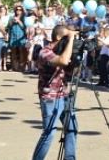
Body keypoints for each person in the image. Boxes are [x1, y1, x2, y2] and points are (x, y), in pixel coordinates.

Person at [32, 25, 79, 160]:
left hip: (64, 96)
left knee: (72, 128)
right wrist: (71, 39)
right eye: (67, 37)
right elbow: (63, 61)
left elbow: (71, 72)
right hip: (50, 98)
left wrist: (76, 60)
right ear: (59, 37)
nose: (70, 40)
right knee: (49, 133)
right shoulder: (45, 52)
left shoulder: (63, 51)